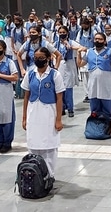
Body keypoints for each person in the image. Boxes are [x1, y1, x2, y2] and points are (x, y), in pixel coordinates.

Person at [21, 47, 64, 179]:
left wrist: (58, 119)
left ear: (49, 58)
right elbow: (26, 96)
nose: (38, 60)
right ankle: (35, 173)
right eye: (36, 58)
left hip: (49, 113)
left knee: (49, 145)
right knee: (34, 143)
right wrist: (24, 118)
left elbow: (59, 98)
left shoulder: (55, 75)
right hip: (33, 113)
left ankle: (49, 175)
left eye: (41, 58)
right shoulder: (30, 74)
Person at [77, 33, 111, 118]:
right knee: (94, 109)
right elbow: (80, 64)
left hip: (106, 84)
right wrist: (78, 53)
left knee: (107, 107)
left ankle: (108, 124)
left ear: (105, 41)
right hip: (93, 84)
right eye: (96, 39)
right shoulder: (89, 52)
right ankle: (95, 126)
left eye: (100, 39)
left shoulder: (110, 51)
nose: (97, 40)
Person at [55, 26, 81, 117]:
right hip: (60, 66)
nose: (62, 34)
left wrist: (70, 46)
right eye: (60, 32)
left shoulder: (71, 42)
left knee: (69, 88)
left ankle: (70, 109)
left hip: (69, 65)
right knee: (60, 88)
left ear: (67, 33)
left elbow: (81, 48)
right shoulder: (56, 44)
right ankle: (62, 108)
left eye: (63, 32)